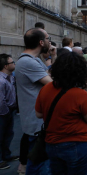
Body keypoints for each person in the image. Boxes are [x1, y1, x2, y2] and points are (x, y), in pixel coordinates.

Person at [35, 52, 87, 175]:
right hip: (78, 143)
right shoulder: (80, 94)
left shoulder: (46, 89)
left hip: (52, 143)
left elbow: (39, 114)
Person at [15, 28, 55, 173]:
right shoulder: (28, 62)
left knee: (39, 161)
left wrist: (53, 56)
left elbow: (50, 74)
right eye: (47, 38)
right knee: (40, 164)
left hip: (36, 119)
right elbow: (52, 84)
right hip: (36, 122)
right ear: (40, 42)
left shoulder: (35, 60)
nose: (49, 41)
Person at [0, 54, 18, 170]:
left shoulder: (11, 77)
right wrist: (6, 112)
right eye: (12, 62)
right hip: (3, 113)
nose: (14, 64)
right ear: (6, 66)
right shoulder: (1, 81)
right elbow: (0, 101)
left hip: (10, 110)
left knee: (8, 134)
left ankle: (6, 155)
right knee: (1, 135)